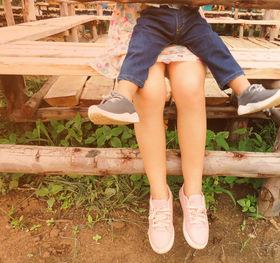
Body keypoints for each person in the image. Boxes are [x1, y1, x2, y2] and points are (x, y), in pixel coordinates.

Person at [90, 4, 208, 254]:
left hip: (184, 25)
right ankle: (159, 197)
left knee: (190, 87)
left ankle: (193, 194)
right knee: (149, 91)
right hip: (136, 26)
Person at [88, 4, 280, 125]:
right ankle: (122, 98)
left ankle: (246, 92)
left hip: (190, 15)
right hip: (153, 16)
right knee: (139, 49)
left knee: (214, 45)